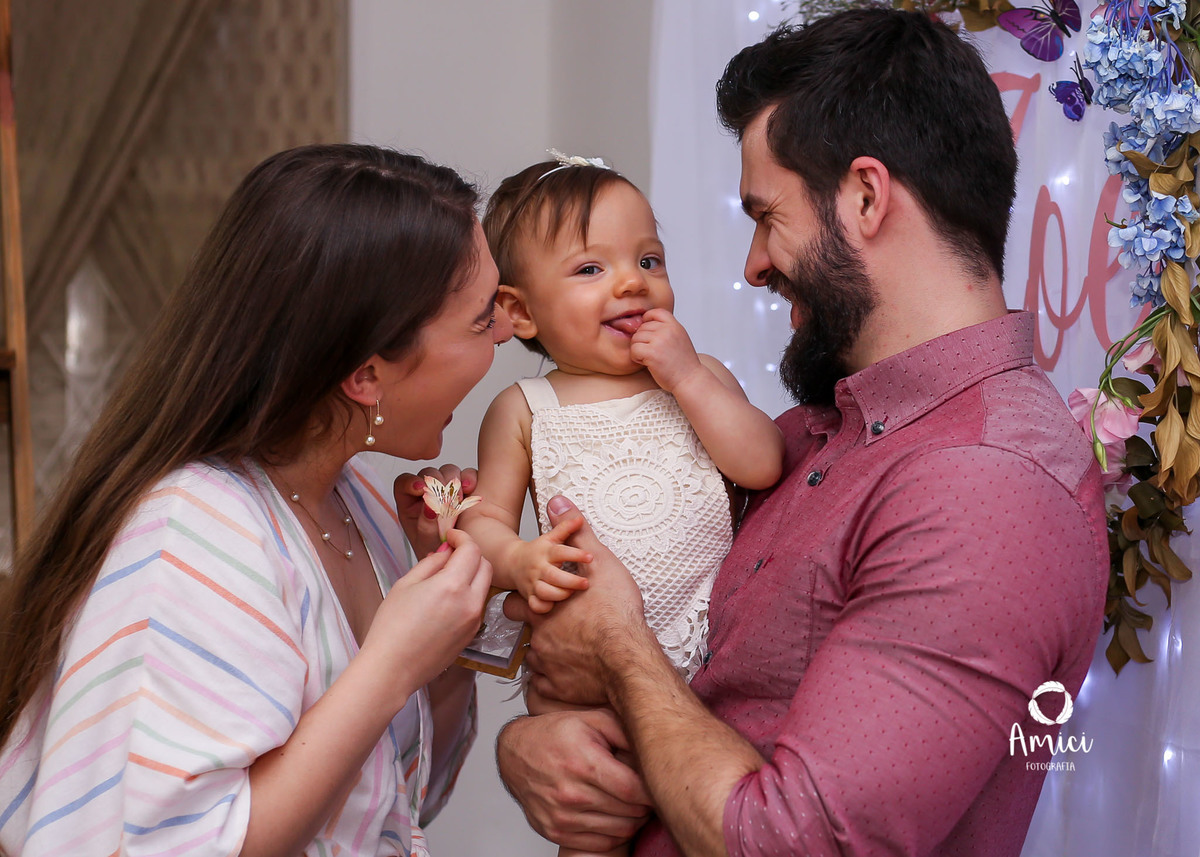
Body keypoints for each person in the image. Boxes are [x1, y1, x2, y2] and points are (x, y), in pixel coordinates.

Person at [495, 10, 1110, 857]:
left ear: (865, 197)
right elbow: (692, 680)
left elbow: (796, 841)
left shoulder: (988, 485)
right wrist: (533, 746)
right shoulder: (814, 431)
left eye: (765, 215)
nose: (753, 262)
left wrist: (619, 649)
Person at [0, 144, 510, 856]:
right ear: (366, 374)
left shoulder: (357, 505)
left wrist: (445, 631)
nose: (510, 332)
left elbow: (403, 798)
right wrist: (391, 662)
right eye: (484, 319)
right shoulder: (197, 528)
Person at [464, 154, 783, 670]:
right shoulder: (524, 410)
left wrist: (686, 378)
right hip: (593, 664)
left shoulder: (698, 375)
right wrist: (520, 560)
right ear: (520, 312)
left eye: (649, 261)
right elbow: (483, 522)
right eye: (591, 268)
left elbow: (764, 463)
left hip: (719, 647)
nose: (633, 282)